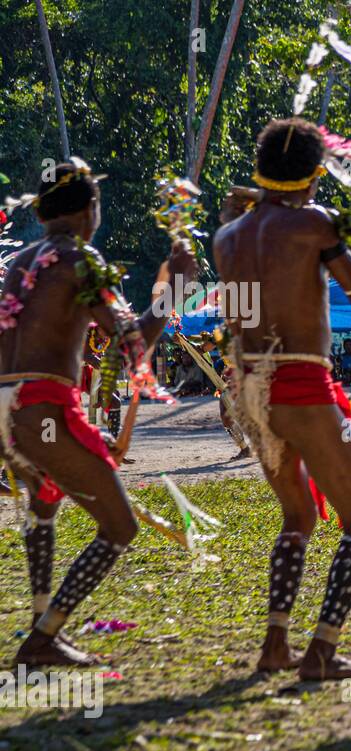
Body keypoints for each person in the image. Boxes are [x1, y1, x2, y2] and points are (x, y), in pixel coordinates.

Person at [0, 159, 194, 665]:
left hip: (7, 412)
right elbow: (129, 345)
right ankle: (44, 637)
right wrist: (173, 289)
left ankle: (45, 625)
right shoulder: (82, 260)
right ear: (91, 211)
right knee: (119, 527)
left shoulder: (21, 261)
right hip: (41, 410)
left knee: (44, 503)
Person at [214, 117, 351, 680]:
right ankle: (321, 653)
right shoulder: (315, 223)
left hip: (253, 391)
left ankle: (275, 646)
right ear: (313, 175)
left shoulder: (228, 236)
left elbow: (241, 317)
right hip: (305, 386)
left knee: (299, 516)